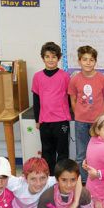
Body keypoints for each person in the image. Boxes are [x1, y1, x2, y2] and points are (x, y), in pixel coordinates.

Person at [69, 45, 104, 183]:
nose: (88, 62)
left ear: (95, 62)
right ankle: (83, 181)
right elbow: (73, 98)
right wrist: (79, 113)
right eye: (85, 59)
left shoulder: (102, 78)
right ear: (79, 61)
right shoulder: (75, 79)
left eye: (91, 60)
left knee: (100, 151)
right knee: (81, 153)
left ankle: (98, 177)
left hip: (98, 123)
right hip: (81, 121)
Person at [32, 41, 71, 174]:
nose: (50, 59)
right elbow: (36, 99)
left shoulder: (65, 76)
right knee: (47, 152)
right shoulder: (37, 77)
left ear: (59, 58)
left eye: (54, 57)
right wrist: (37, 120)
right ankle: (49, 180)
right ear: (43, 58)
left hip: (61, 121)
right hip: (45, 121)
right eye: (47, 56)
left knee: (62, 152)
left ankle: (62, 178)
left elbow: (70, 97)